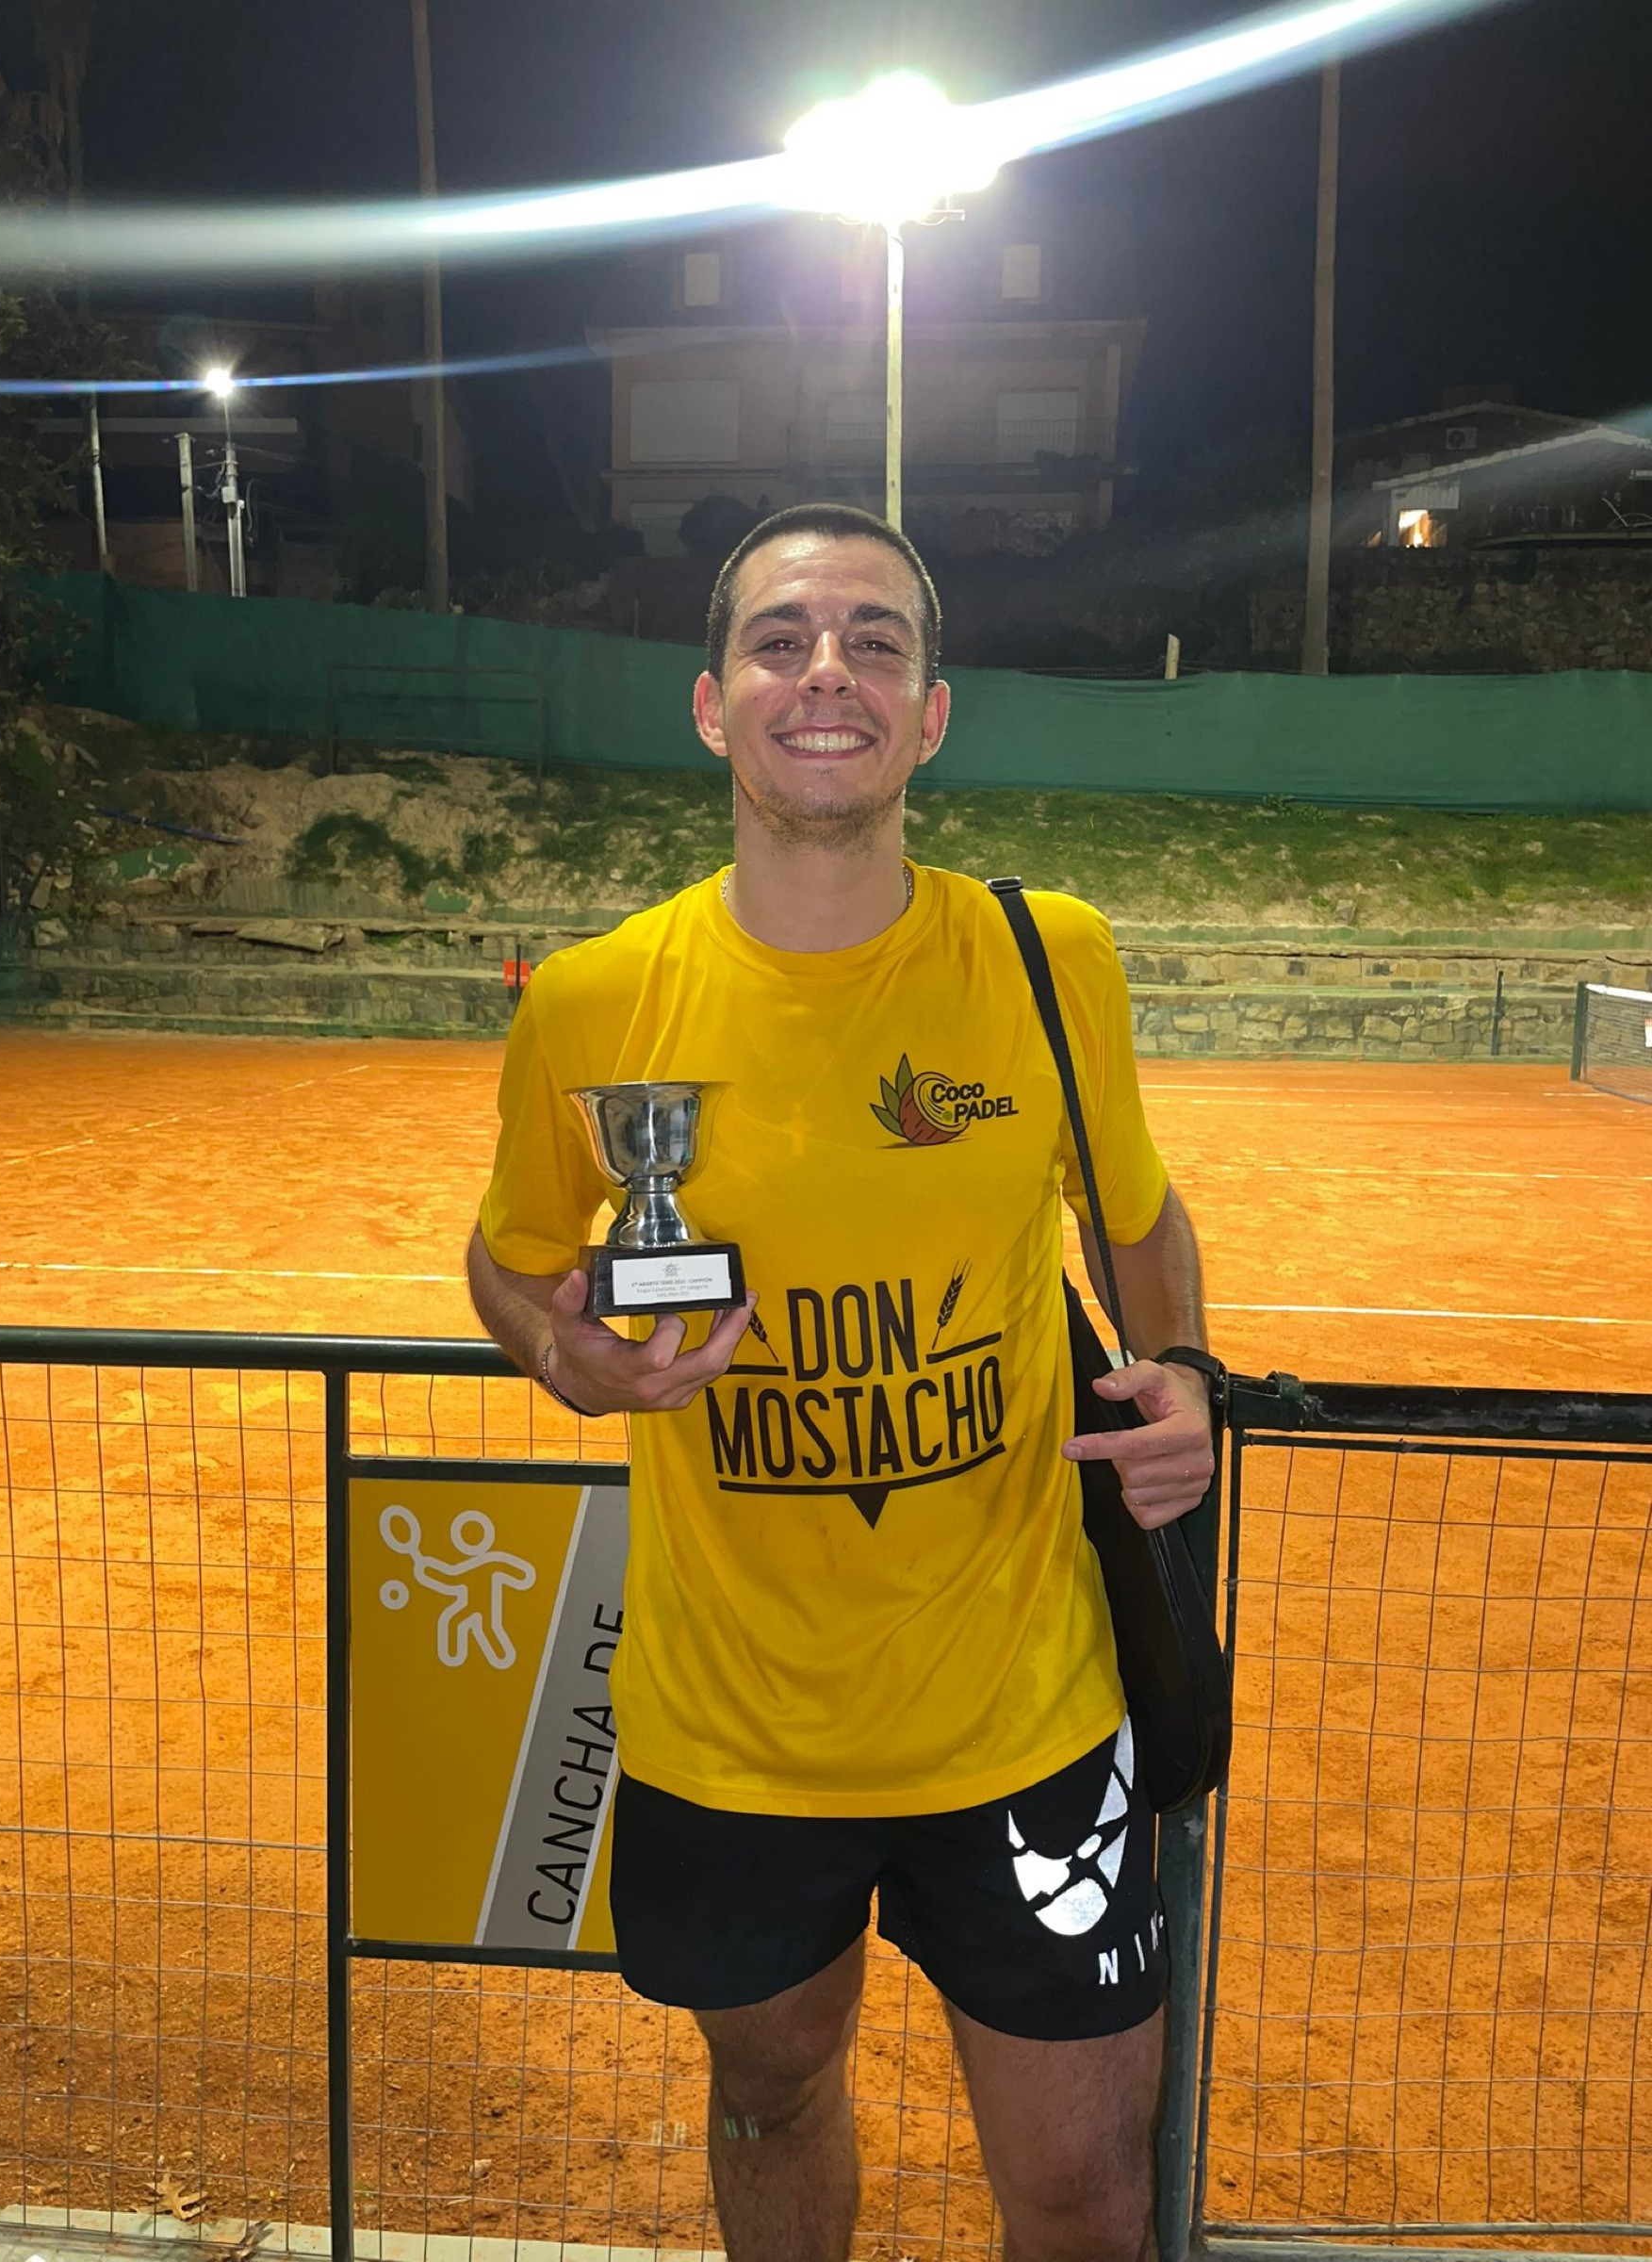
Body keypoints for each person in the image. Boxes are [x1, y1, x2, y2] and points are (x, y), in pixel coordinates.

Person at [466, 501, 1217, 2262]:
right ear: (712, 704)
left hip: (1027, 1715)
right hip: (730, 1734)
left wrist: (1181, 1372)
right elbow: (510, 1258)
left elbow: (1134, 1218)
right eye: (782, 639)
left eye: (877, 642)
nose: (829, 673)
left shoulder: (1048, 957)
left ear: (931, 714)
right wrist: (560, 1353)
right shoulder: (592, 1002)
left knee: (1083, 2192)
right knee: (770, 2097)